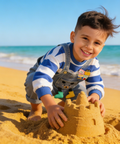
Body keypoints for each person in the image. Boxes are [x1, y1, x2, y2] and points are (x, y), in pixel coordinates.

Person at [24, 7, 120, 130]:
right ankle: (36, 110)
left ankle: (62, 107)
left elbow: (96, 83)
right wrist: (49, 106)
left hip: (64, 91)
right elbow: (41, 79)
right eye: (85, 38)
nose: (89, 47)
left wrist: (95, 97)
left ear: (102, 46)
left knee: (81, 94)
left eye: (97, 43)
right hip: (47, 86)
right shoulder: (59, 53)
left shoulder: (93, 63)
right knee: (33, 80)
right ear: (73, 37)